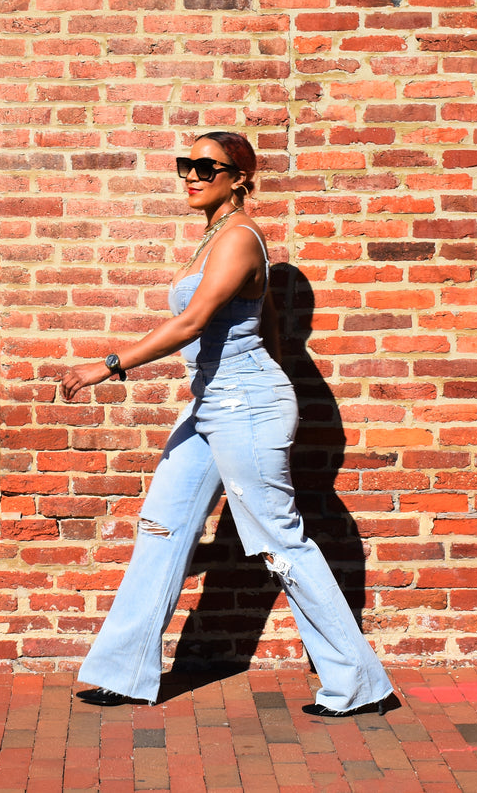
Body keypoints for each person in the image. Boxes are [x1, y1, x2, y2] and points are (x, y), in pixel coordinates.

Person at [58, 131, 398, 717]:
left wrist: (108, 365)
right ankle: (125, 673)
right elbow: (268, 326)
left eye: (206, 166)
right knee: (162, 527)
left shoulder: (240, 237)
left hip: (243, 405)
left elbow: (192, 323)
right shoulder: (214, 237)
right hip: (210, 403)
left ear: (239, 177)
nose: (191, 175)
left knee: (278, 541)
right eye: (185, 164)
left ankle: (358, 684)